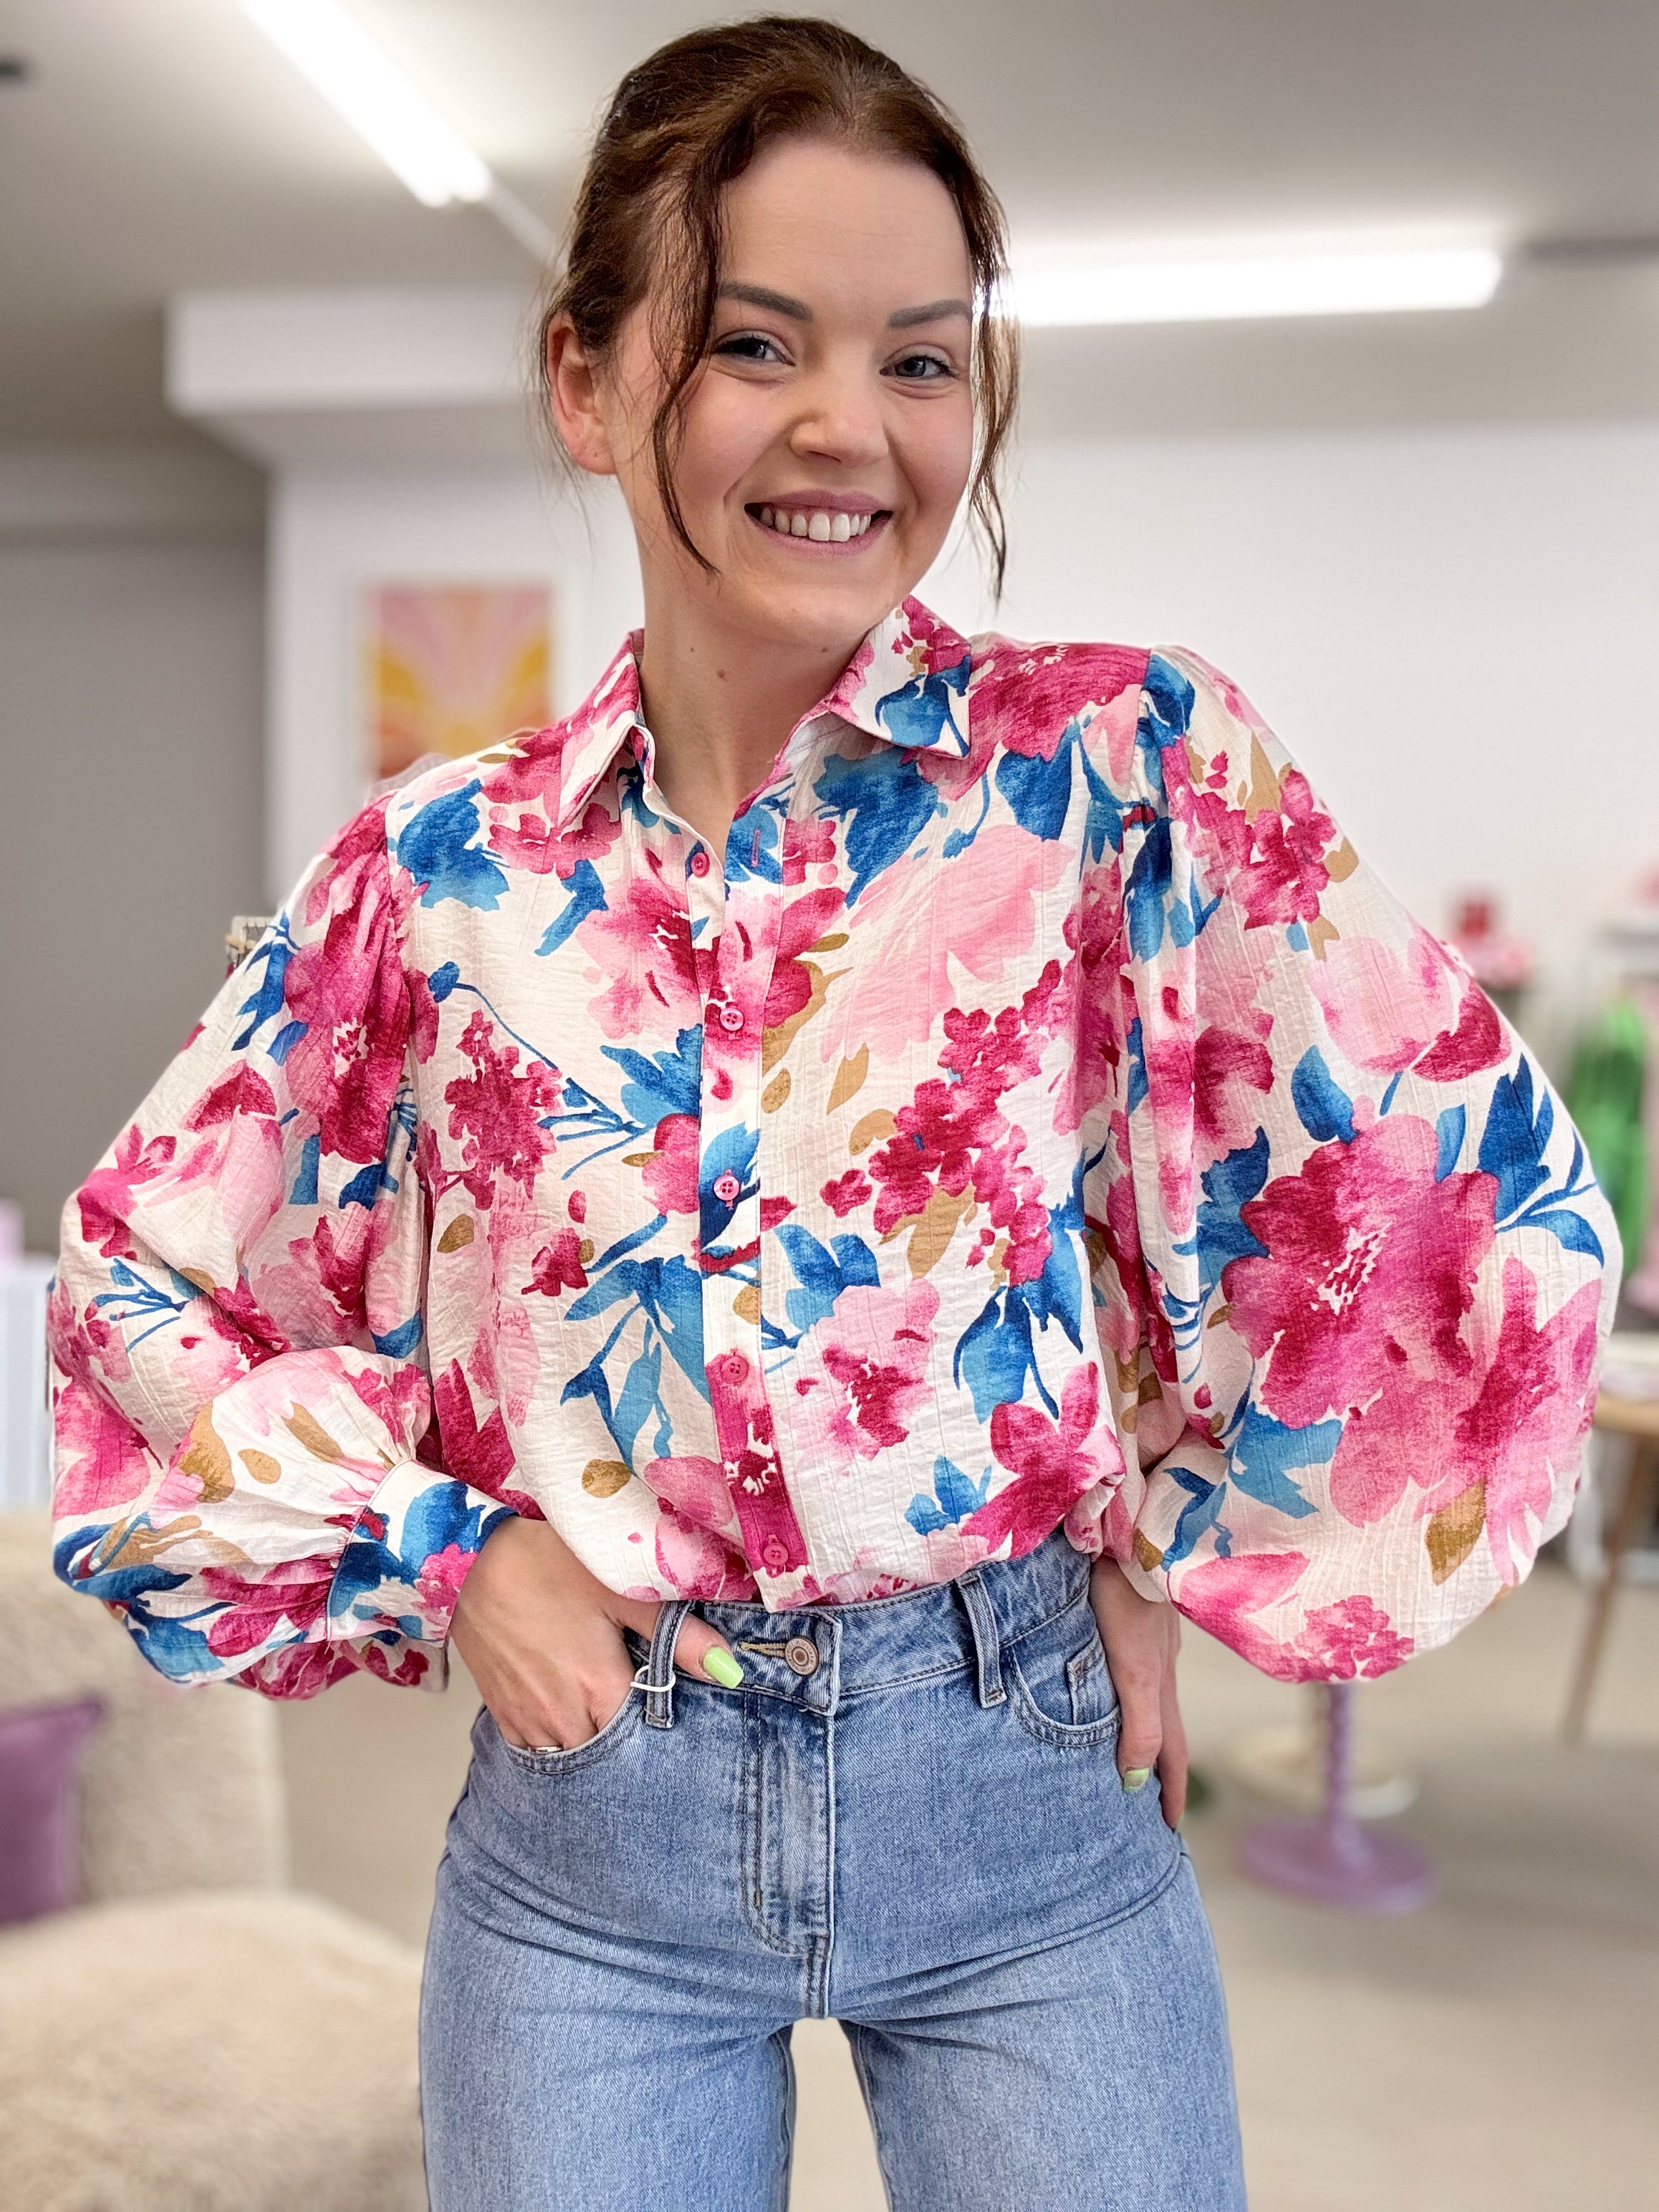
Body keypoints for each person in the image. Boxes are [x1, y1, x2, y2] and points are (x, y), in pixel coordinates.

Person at [48, 18, 1617, 2211]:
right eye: (757, 341)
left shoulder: (1119, 767)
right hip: (592, 1840)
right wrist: (445, 1547)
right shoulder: (439, 870)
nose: (845, 429)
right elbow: (140, 1265)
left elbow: (1459, 1195)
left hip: (1024, 1790)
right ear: (588, 382)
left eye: (920, 359)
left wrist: (1173, 1538)